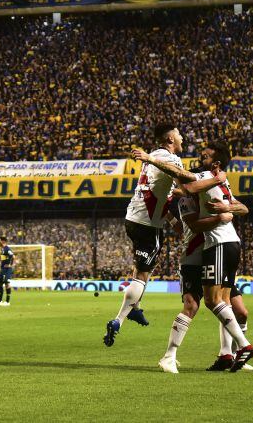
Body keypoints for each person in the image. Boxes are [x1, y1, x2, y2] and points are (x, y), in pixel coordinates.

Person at [144, 141, 253, 373]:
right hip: (194, 257)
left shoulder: (207, 183)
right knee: (193, 305)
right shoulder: (189, 196)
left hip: (215, 249)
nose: (199, 159)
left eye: (204, 156)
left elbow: (241, 208)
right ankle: (170, 356)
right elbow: (191, 225)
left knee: (225, 305)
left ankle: (232, 352)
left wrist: (226, 209)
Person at [104, 123, 209, 347]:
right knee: (142, 275)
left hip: (133, 218)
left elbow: (163, 195)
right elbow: (185, 181)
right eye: (179, 133)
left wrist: (173, 221)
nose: (182, 137)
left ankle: (136, 308)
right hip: (147, 225)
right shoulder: (168, 159)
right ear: (171, 138)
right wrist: (211, 181)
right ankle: (118, 320)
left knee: (142, 269)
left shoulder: (154, 157)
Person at [0, 236, 14, 307]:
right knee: (0, 284)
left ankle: (7, 302)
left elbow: (12, 256)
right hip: (2, 269)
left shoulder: (7, 249)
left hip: (7, 270)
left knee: (7, 283)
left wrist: (9, 264)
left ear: (2, 241)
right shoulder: (2, 249)